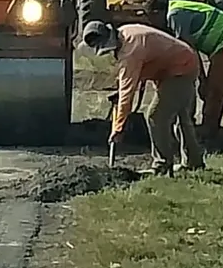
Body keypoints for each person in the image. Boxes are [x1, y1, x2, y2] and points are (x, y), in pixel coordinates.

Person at [82, 20, 205, 175]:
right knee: (182, 117)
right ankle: (194, 162)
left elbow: (128, 92)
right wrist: (120, 92)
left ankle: (162, 165)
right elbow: (130, 78)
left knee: (156, 116)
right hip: (182, 63)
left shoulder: (131, 49)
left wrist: (118, 127)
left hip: (180, 70)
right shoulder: (125, 33)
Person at [146, 0, 223, 142]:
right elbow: (191, 49)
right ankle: (208, 127)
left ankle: (209, 132)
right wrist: (202, 79)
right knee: (211, 88)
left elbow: (188, 51)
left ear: (156, 12)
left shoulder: (175, 15)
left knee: (215, 89)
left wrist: (202, 80)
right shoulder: (177, 8)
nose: (152, 23)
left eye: (151, 18)